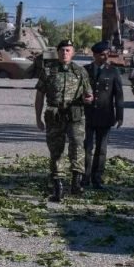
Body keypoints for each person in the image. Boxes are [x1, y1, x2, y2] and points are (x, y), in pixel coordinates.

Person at [35, 39, 93, 202]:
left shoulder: (80, 72)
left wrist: (89, 98)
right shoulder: (48, 71)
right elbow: (39, 95)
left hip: (75, 115)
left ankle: (76, 182)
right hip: (54, 114)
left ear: (73, 53)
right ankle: (58, 187)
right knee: (56, 150)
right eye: (62, 50)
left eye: (68, 50)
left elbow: (88, 93)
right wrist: (38, 118)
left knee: (77, 147)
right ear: (57, 52)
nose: (65, 53)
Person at [82, 41, 124, 189]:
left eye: (107, 54)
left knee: (101, 149)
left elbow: (118, 95)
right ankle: (84, 177)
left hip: (105, 116)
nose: (105, 57)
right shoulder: (85, 71)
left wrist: (120, 116)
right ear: (94, 55)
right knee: (86, 148)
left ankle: (97, 178)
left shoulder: (113, 71)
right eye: (102, 55)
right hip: (87, 115)